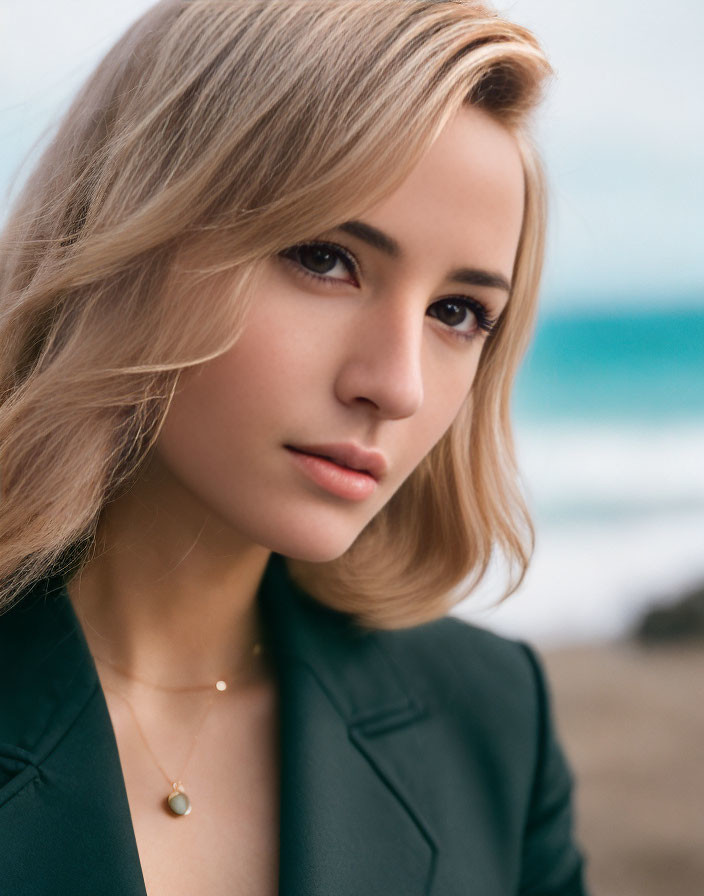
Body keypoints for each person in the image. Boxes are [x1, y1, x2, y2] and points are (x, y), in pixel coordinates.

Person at [0, 1, 590, 893]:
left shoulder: (494, 720)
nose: (397, 386)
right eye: (324, 259)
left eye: (457, 313)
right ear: (135, 228)